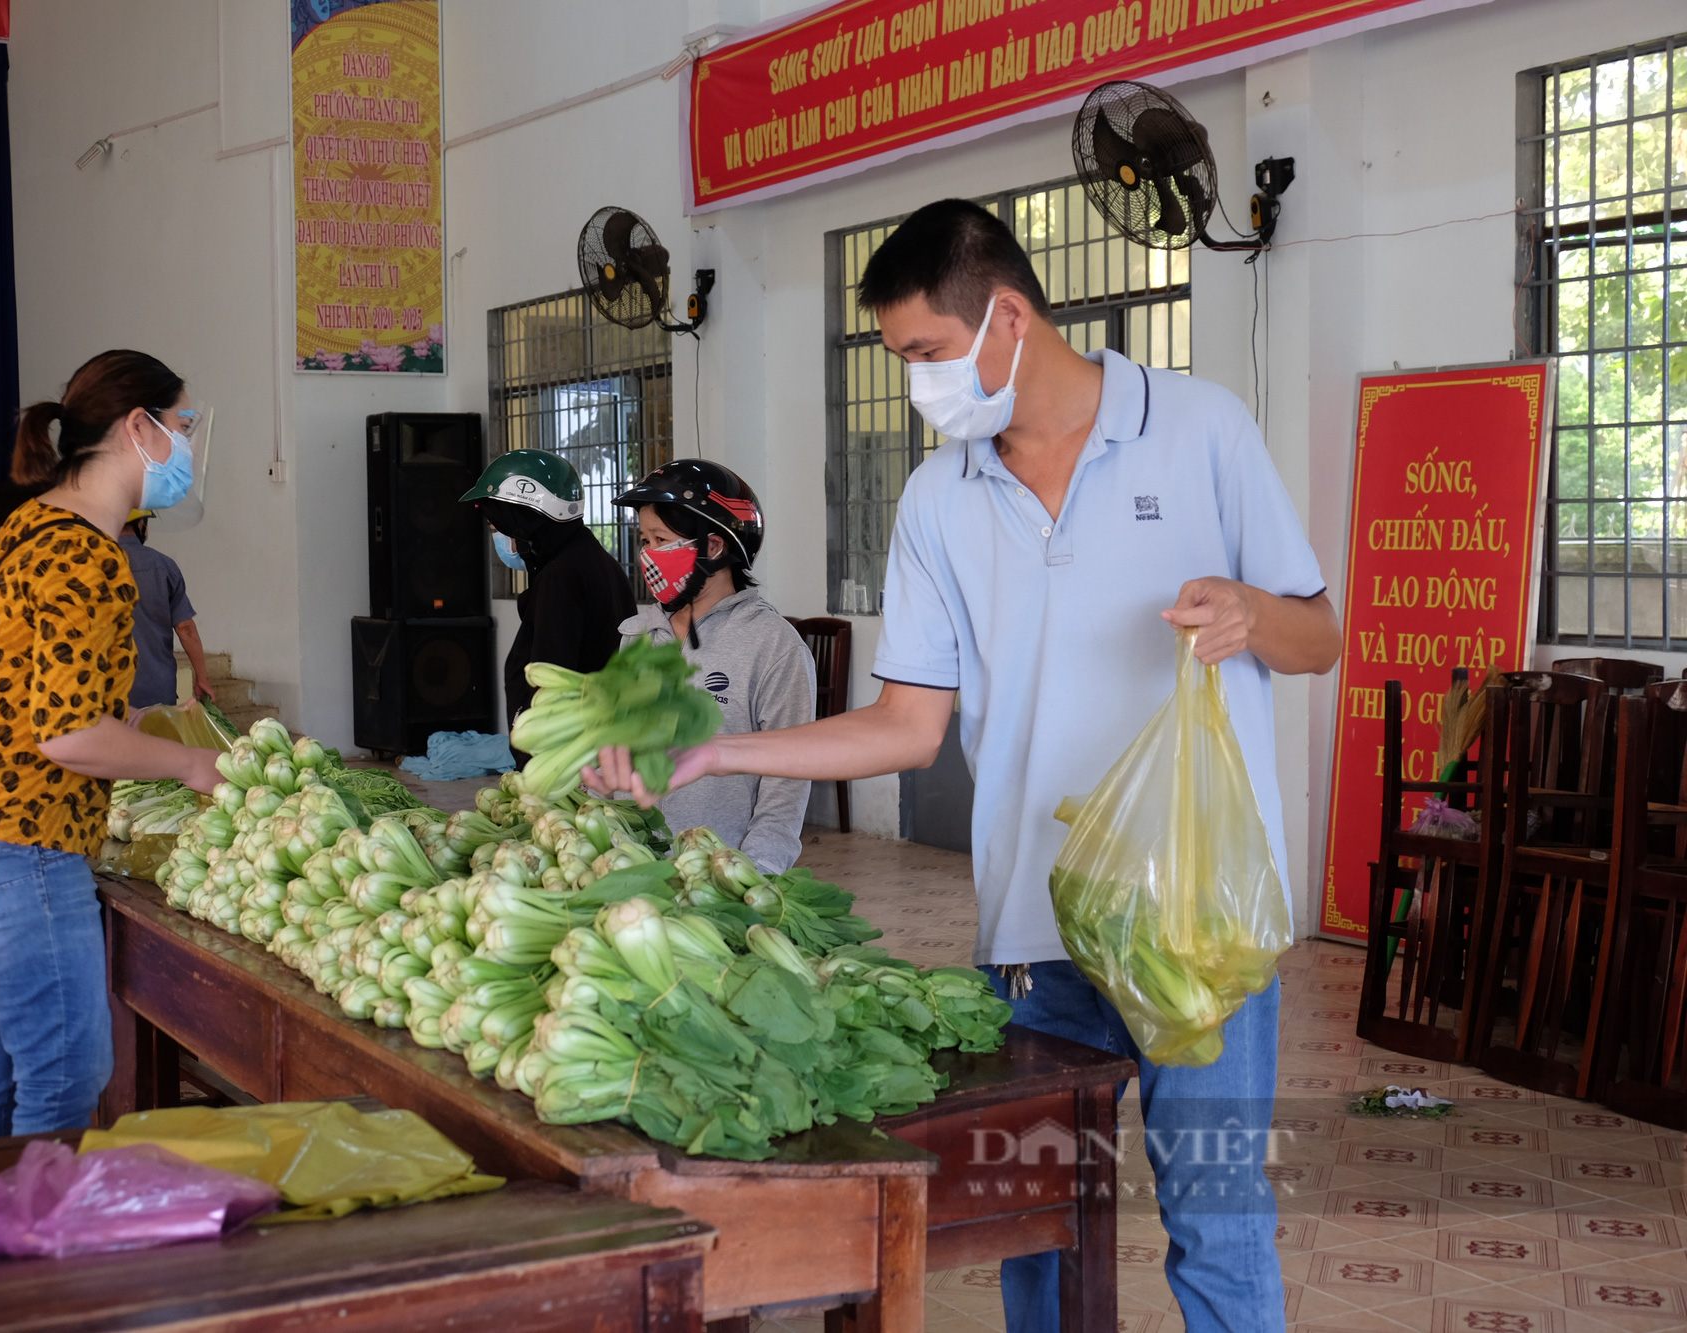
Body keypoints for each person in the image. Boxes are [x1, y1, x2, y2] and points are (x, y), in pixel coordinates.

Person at [588, 199, 1340, 1333]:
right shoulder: (939, 496)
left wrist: (1249, 612)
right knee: (1029, 1226)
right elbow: (904, 724)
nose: (917, 385)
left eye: (926, 355)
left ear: (1007, 317)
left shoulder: (1199, 428)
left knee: (1218, 1218)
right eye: (899, 361)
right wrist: (711, 746)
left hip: (1203, 927)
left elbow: (1319, 638)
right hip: (1038, 934)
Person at [0, 349, 223, 1141]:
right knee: (66, 1074)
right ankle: (35, 1257)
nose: (187, 445)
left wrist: (142, 728)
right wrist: (191, 762)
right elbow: (69, 735)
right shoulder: (88, 554)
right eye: (182, 425)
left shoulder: (32, 525)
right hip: (17, 848)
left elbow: (40, 698)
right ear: (137, 428)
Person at [614, 460, 815, 873]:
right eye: (644, 539)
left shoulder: (774, 647)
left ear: (713, 547)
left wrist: (753, 873)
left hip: (720, 876)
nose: (648, 555)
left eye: (661, 539)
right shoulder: (637, 636)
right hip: (632, 869)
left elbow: (787, 784)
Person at [458, 449, 636, 730]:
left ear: (525, 520)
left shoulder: (562, 576)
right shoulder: (594, 561)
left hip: (569, 753)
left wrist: (535, 754)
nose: (499, 538)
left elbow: (551, 677)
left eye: (499, 525)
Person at [118, 509, 215, 709]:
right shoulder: (164, 566)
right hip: (158, 690)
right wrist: (202, 678)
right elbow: (186, 629)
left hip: (111, 691)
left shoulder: (92, 564)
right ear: (141, 525)